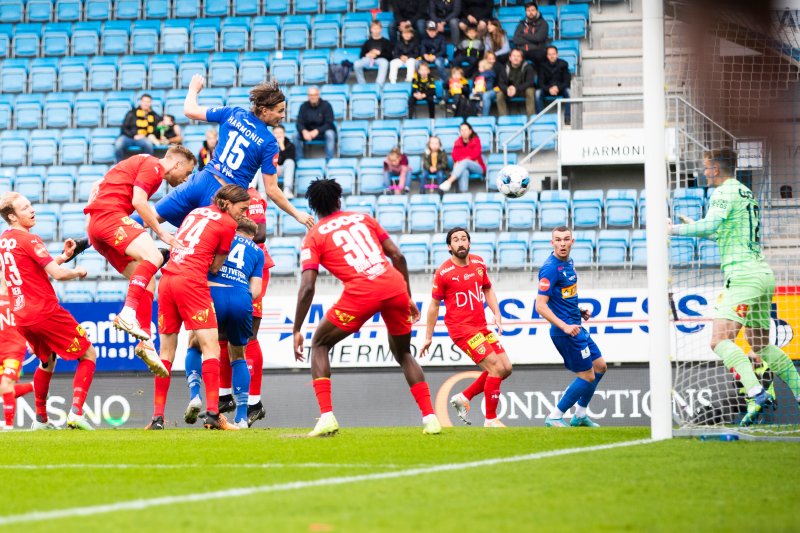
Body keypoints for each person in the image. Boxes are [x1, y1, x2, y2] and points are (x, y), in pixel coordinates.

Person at [293, 178, 441, 437]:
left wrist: (296, 328)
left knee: (320, 344)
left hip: (361, 292)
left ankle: (327, 416)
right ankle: (431, 418)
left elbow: (307, 287)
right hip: (394, 286)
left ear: (314, 208)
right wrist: (407, 296)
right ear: (339, 201)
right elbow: (398, 256)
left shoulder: (313, 237)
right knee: (404, 353)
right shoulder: (364, 219)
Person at [669, 148, 800, 426]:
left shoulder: (724, 192)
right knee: (761, 345)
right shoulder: (744, 191)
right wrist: (700, 226)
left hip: (742, 277)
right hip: (763, 275)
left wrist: (673, 231)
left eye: (706, 167)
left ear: (716, 167)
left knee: (719, 340)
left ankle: (756, 393)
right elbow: (725, 231)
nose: (704, 172)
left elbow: (711, 225)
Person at [144, 75, 313, 232]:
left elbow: (190, 111)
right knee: (205, 252)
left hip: (202, 181)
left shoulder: (233, 113)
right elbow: (271, 189)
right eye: (280, 110)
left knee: (146, 217)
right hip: (223, 199)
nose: (283, 115)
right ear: (264, 110)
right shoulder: (269, 142)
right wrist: (297, 213)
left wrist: (193, 89)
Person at [84, 147, 196, 376]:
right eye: (187, 172)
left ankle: (144, 342)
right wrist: (162, 233)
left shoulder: (138, 164)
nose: (186, 178)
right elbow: (138, 201)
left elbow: (96, 185)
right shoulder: (154, 165)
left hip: (97, 227)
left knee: (148, 282)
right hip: (111, 217)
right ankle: (127, 313)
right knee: (154, 256)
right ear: (177, 165)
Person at [148, 184, 251, 431]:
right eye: (242, 208)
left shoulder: (194, 212)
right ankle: (214, 414)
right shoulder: (228, 224)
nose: (244, 213)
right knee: (211, 346)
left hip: (168, 281)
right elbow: (215, 267)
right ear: (228, 203)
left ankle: (157, 418)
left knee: (166, 353)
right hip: (191, 282)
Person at [0, 192, 98, 430]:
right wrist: (77, 270)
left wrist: (63, 257)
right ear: (12, 216)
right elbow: (58, 275)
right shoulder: (30, 239)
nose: (32, 210)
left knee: (47, 362)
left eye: (30, 205)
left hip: (22, 317)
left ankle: (41, 419)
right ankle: (75, 412)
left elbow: (35, 272)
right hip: (44, 311)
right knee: (88, 355)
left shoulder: (5, 240)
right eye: (25, 208)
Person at [184, 186, 274, 428]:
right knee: (238, 354)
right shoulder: (257, 251)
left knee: (196, 343)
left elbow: (201, 264)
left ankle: (196, 396)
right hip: (240, 299)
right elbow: (255, 291)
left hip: (212, 295)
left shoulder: (219, 234)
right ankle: (242, 416)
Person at [420, 228, 512, 427]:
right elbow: (434, 306)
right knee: (496, 367)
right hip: (462, 330)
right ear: (449, 247)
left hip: (481, 326)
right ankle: (490, 419)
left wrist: (496, 313)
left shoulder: (479, 263)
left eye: (464, 239)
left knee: (506, 368)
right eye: (455, 240)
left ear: (469, 243)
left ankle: (464, 397)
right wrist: (428, 336)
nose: (460, 243)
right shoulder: (443, 273)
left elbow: (487, 288)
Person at [535, 226, 606, 428]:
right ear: (552, 243)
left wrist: (578, 309)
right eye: (558, 240)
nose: (562, 243)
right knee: (587, 375)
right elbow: (540, 306)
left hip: (576, 325)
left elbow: (564, 295)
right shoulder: (550, 268)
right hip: (565, 332)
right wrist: (565, 325)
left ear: (572, 242)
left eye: (566, 239)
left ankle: (580, 415)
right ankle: (555, 416)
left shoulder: (569, 263)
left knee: (600, 367)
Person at [0, 276, 34, 431]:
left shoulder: (20, 300)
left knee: (6, 385)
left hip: (14, 349)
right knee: (4, 389)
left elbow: (31, 323)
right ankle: (35, 387)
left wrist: (33, 342)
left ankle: (8, 427)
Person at [293, 86, 336, 163]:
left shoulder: (326, 105)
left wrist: (317, 131)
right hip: (308, 133)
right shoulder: (303, 106)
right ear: (308, 96)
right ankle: (299, 161)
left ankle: (329, 161)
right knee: (295, 135)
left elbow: (329, 123)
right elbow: (299, 122)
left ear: (318, 95)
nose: (313, 97)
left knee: (330, 134)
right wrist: (304, 131)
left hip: (322, 132)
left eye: (314, 95)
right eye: (310, 95)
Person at [115, 93, 160, 162]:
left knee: (148, 145)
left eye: (148, 102)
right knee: (118, 144)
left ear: (151, 103)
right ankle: (119, 166)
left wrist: (145, 136)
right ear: (141, 102)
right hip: (128, 137)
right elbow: (124, 128)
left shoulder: (154, 116)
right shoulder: (132, 113)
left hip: (143, 138)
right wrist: (134, 136)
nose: (146, 104)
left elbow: (156, 129)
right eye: (144, 101)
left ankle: (147, 166)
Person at [440, 122, 484, 192]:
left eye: (465, 130)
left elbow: (475, 154)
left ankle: (449, 181)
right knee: (464, 171)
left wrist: (460, 161)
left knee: (465, 162)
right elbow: (454, 155)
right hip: (463, 167)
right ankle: (463, 194)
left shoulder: (476, 140)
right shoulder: (457, 142)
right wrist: (463, 160)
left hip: (477, 167)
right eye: (462, 130)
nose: (463, 132)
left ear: (470, 131)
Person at [536, 45, 572, 125]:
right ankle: (540, 119)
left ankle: (567, 118)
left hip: (560, 89)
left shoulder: (564, 64)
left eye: (553, 54)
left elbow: (567, 81)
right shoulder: (542, 65)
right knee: (537, 93)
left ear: (557, 54)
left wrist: (557, 88)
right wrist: (549, 89)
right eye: (549, 54)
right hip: (547, 89)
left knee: (569, 92)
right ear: (547, 56)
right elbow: (540, 83)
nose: (552, 56)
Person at [496, 48, 537, 116]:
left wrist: (516, 88)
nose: (516, 58)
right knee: (499, 94)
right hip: (509, 91)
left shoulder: (528, 67)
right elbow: (500, 83)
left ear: (521, 58)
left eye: (518, 56)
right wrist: (507, 89)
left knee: (530, 91)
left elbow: (530, 82)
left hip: (522, 90)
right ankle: (503, 118)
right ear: (510, 58)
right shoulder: (504, 67)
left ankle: (531, 118)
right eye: (514, 56)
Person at [354, 21, 393, 86]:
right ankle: (362, 83)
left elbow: (390, 56)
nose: (376, 31)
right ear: (371, 29)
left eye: (377, 28)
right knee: (357, 64)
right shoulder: (367, 42)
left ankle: (379, 84)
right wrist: (368, 54)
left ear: (381, 29)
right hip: (369, 59)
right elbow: (361, 55)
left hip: (380, 59)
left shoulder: (386, 42)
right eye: (374, 29)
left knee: (384, 63)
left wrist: (379, 54)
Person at [512, 1, 549, 69]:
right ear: (525, 12)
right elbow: (516, 40)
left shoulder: (543, 23)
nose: (530, 12)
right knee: (512, 56)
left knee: (539, 56)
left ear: (537, 11)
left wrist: (524, 35)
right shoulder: (521, 24)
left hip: (537, 50)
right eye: (528, 10)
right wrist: (532, 39)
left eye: (532, 10)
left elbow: (539, 38)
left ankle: (540, 79)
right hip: (523, 51)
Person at [272, 125, 296, 198]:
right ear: (272, 134)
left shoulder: (290, 145)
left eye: (280, 132)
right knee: (261, 166)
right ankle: (262, 193)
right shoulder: (268, 145)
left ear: (284, 134)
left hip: (284, 170)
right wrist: (274, 165)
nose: (278, 135)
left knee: (290, 162)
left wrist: (282, 146)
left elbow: (290, 158)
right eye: (276, 133)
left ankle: (287, 189)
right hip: (272, 169)